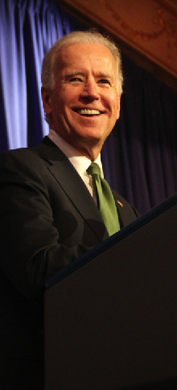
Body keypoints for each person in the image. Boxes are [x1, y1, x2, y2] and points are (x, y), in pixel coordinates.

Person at [0, 30, 139, 388]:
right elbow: (38, 270)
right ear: (47, 100)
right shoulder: (20, 169)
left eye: (104, 81)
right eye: (76, 79)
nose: (92, 92)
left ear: (118, 104)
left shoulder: (125, 209)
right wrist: (139, 253)